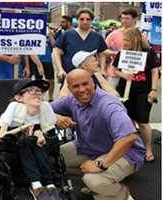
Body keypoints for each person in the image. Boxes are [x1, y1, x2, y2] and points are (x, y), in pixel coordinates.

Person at [51, 69, 145, 200]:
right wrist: (55, 117)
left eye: (85, 84)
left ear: (93, 82)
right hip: (90, 147)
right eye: (76, 86)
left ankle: (120, 193)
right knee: (52, 160)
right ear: (69, 88)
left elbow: (129, 137)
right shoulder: (71, 100)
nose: (82, 89)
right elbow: (45, 108)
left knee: (94, 180)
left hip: (125, 153)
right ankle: (98, 183)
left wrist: (100, 165)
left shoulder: (109, 105)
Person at [0, 79, 60, 200]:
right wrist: (24, 127)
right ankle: (35, 182)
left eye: (39, 91)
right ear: (19, 97)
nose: (37, 93)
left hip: (39, 138)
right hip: (15, 139)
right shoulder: (14, 107)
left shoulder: (45, 107)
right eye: (31, 91)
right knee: (26, 141)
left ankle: (48, 182)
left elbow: (50, 130)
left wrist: (40, 134)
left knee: (38, 143)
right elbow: (2, 134)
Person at [113, 27, 159, 162]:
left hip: (143, 91)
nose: (125, 42)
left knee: (143, 122)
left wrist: (153, 89)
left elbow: (154, 71)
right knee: (128, 120)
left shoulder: (148, 52)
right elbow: (115, 70)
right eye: (124, 39)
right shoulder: (122, 53)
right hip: (125, 91)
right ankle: (134, 147)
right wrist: (124, 75)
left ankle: (148, 149)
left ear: (135, 39)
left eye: (127, 39)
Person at [53, 8, 107, 79]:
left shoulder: (97, 36)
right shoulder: (67, 34)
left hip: (90, 76)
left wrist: (102, 69)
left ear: (91, 20)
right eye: (82, 19)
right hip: (69, 75)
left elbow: (102, 54)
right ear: (77, 20)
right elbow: (57, 52)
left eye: (88, 19)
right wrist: (60, 69)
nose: (85, 22)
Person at [105, 8, 146, 87]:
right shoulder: (114, 34)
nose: (124, 20)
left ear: (135, 19)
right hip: (115, 73)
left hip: (134, 75)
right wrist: (117, 54)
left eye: (127, 18)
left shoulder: (141, 36)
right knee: (111, 96)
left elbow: (146, 53)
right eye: (122, 18)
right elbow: (103, 50)